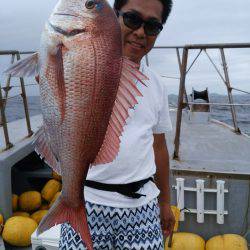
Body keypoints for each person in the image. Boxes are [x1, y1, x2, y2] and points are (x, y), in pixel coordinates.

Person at [59, 0, 175, 249]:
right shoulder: (81, 68)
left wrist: (165, 202)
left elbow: (159, 147)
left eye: (153, 26)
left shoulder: (156, 84)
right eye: (132, 19)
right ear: (113, 17)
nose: (141, 32)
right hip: (85, 200)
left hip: (141, 205)